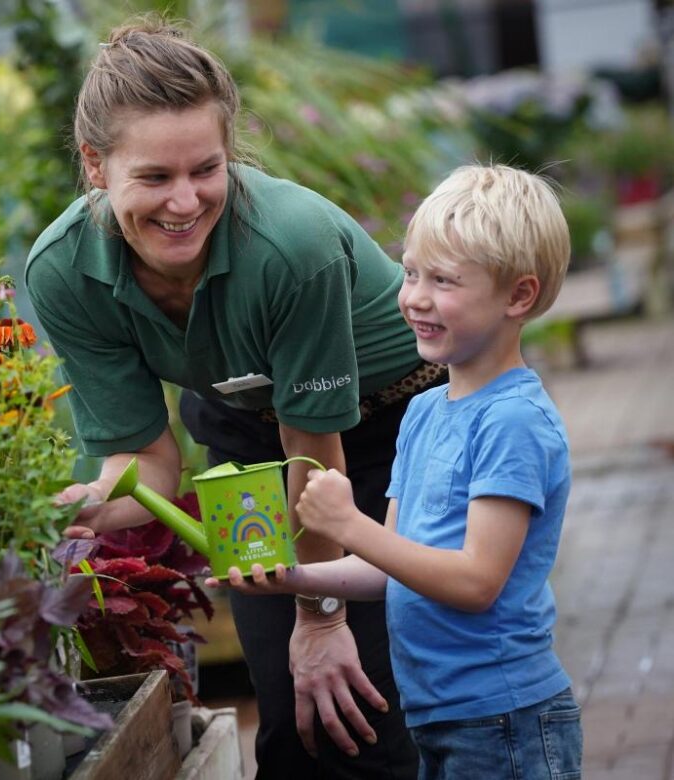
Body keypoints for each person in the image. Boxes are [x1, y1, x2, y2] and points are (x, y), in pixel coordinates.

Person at [24, 15, 439, 778]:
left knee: (363, 715)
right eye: (153, 177)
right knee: (294, 718)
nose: (184, 202)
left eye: (204, 170)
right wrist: (91, 500)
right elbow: (149, 462)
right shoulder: (63, 271)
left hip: (395, 433)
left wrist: (320, 613)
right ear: (94, 164)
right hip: (249, 435)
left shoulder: (292, 247)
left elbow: (316, 455)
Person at [218, 163, 584, 779]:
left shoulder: (513, 422)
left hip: (505, 721)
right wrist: (292, 578)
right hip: (437, 715)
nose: (414, 297)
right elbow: (388, 566)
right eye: (410, 271)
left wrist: (347, 523)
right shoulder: (421, 412)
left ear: (518, 296)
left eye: (443, 280)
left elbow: (475, 582)